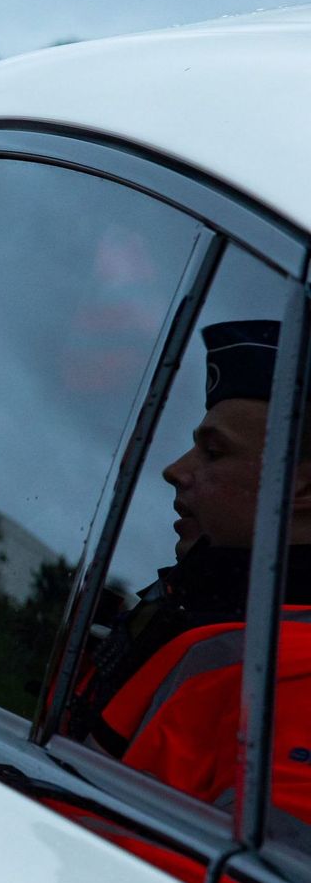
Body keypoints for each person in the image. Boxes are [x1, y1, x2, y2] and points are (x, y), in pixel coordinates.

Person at [78, 320, 311, 818]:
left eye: (214, 451)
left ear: (304, 489)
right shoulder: (210, 611)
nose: (176, 470)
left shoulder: (291, 678)